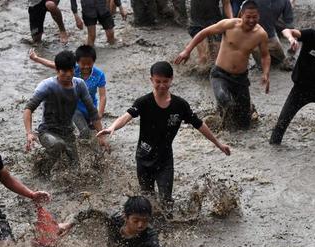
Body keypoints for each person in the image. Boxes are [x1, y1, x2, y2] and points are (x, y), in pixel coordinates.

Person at [97, 62, 231, 208]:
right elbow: (127, 116)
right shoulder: (144, 102)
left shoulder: (180, 105)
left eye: (165, 81)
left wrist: (218, 144)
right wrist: (112, 127)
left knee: (167, 201)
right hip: (144, 157)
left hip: (165, 160)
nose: (161, 85)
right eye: (158, 82)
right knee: (147, 199)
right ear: (151, 80)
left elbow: (199, 124)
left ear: (171, 80)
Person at [175, 0, 270, 130]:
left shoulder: (261, 34)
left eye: (255, 17)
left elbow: (265, 55)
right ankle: (221, 130)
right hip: (220, 75)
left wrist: (265, 73)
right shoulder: (229, 25)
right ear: (242, 14)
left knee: (244, 123)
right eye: (248, 17)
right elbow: (204, 32)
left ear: (259, 16)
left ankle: (246, 112)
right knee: (226, 102)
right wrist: (187, 50)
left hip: (241, 79)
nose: (251, 20)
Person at [24, 50, 108, 176]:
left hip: (68, 133)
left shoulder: (79, 84)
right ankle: (41, 170)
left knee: (76, 171)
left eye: (71, 70)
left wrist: (101, 136)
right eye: (64, 71)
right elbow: (28, 108)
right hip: (47, 132)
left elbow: (92, 111)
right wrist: (29, 133)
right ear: (57, 70)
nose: (68, 74)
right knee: (58, 145)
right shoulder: (46, 86)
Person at [29, 45, 107, 140]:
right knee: (84, 132)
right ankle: (81, 148)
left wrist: (100, 113)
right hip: (75, 109)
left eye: (89, 63)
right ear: (77, 62)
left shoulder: (99, 75)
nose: (86, 66)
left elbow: (102, 96)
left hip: (89, 108)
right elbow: (53, 64)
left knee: (93, 133)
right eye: (83, 64)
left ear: (94, 62)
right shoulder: (72, 69)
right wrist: (36, 58)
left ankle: (90, 147)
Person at [250, 0, 296, 70]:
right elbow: (241, 17)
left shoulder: (284, 2)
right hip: (253, 37)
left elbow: (289, 23)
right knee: (262, 67)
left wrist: (292, 38)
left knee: (281, 62)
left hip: (271, 35)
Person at [187, 0, 232, 65]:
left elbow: (226, 3)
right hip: (197, 24)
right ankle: (200, 72)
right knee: (204, 57)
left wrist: (232, 19)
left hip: (215, 23)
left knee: (218, 59)